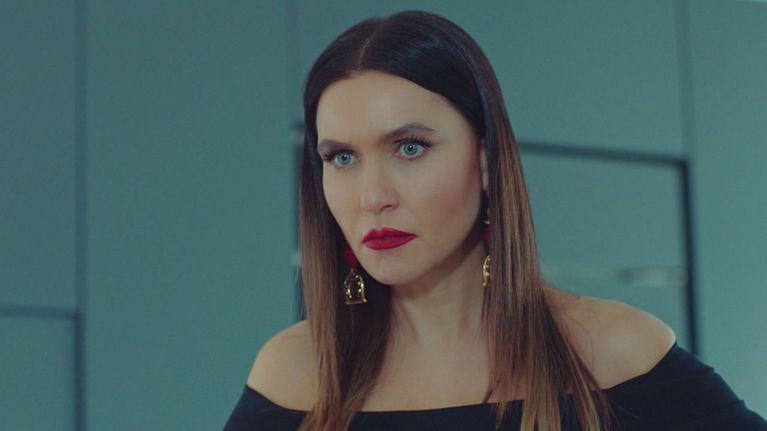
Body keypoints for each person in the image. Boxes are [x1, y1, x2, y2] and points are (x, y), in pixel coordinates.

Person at [223, 9, 767, 431]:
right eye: (342, 157)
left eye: (409, 148)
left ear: (485, 162)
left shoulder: (612, 353)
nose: (373, 197)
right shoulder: (296, 373)